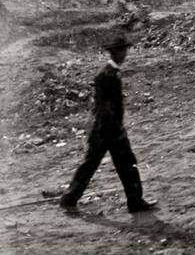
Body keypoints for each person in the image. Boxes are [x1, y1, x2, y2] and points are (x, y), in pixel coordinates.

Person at [52, 31, 157, 214]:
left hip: (104, 128)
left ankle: (70, 199)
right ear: (114, 53)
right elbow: (105, 107)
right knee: (118, 163)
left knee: (105, 164)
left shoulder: (111, 72)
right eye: (121, 51)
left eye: (124, 50)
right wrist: (118, 129)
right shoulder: (106, 75)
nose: (124, 54)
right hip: (106, 129)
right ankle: (133, 202)